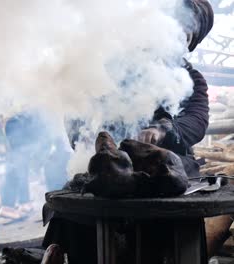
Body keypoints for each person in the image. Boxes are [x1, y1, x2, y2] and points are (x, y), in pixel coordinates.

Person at [43, 0, 216, 262]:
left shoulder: (192, 80)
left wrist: (163, 130)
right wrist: (92, 136)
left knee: (173, 188)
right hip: (113, 163)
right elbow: (78, 116)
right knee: (84, 191)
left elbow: (196, 122)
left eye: (185, 34)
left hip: (165, 168)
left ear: (190, 43)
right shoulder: (119, 67)